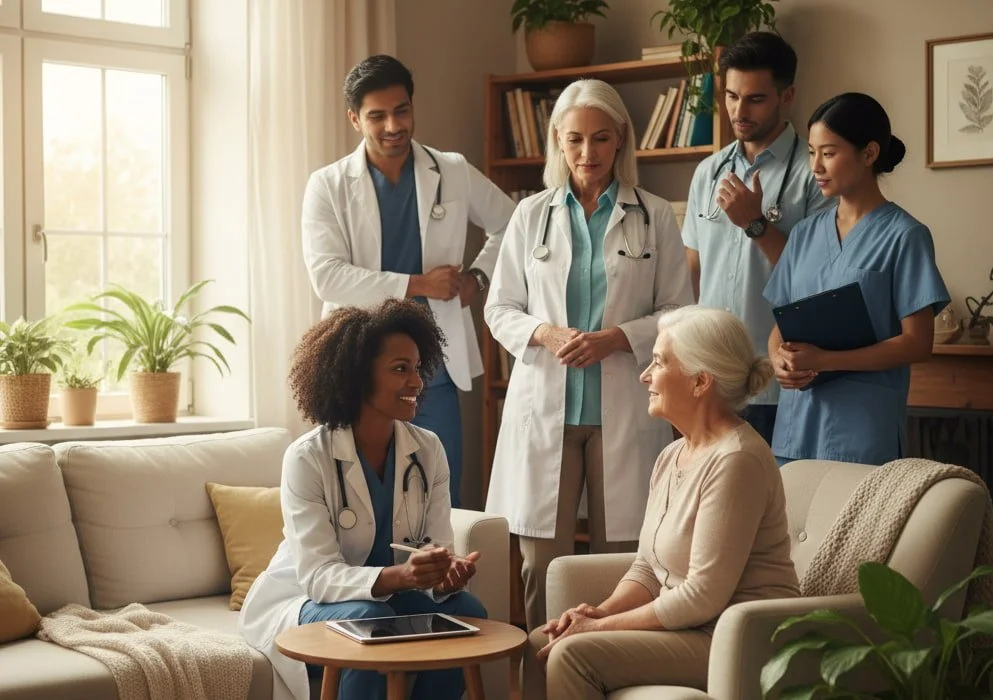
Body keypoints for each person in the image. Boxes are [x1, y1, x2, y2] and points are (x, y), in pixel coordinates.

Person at [484, 78, 694, 631]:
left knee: (620, 563)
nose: (587, 154)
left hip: (623, 407)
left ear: (621, 139)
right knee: (541, 568)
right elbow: (499, 308)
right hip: (545, 411)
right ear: (557, 140)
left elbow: (679, 310)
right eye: (574, 140)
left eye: (601, 139)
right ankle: (538, 684)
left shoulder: (655, 215)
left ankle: (600, 670)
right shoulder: (530, 214)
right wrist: (548, 334)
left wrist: (616, 338)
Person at [523, 306, 800, 699]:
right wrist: (599, 612)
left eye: (657, 363)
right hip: (692, 627)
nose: (645, 376)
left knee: (571, 653)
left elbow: (702, 596)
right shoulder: (672, 455)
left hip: (734, 637)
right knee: (540, 642)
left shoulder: (738, 459)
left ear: (700, 381)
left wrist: (598, 630)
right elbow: (649, 568)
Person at [238, 299, 487, 700]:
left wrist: (443, 574)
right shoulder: (308, 458)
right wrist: (400, 577)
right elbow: (318, 576)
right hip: (305, 601)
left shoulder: (428, 450)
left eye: (418, 368)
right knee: (369, 620)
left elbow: (436, 548)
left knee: (466, 611)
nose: (418, 382)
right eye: (400, 369)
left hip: (386, 599)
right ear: (357, 375)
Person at [301, 54, 516, 507]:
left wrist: (478, 277)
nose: (393, 126)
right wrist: (417, 285)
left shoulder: (451, 171)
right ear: (355, 119)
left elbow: (514, 224)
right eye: (377, 116)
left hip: (431, 367)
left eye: (402, 111)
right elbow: (327, 277)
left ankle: (439, 581)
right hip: (358, 364)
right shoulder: (328, 185)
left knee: (439, 495)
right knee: (356, 498)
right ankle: (371, 581)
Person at [763, 93, 950, 466]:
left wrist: (826, 360)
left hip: (862, 433)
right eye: (811, 152)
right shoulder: (803, 234)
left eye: (828, 153)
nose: (816, 166)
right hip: (795, 429)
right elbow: (780, 326)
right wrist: (777, 360)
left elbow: (918, 344)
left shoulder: (905, 235)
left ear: (869, 153)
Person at [681, 31, 833, 445]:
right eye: (731, 96)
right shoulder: (707, 172)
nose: (739, 110)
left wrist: (756, 225)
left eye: (755, 99)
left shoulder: (815, 173)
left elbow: (820, 280)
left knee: (775, 507)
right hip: (708, 381)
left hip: (775, 385)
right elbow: (692, 273)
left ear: (787, 96)